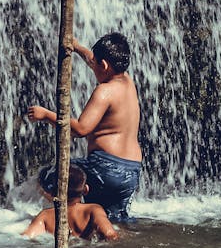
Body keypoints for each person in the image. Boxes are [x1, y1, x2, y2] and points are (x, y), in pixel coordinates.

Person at [28, 32, 142, 222]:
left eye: (96, 63)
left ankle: (72, 218)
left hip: (105, 167)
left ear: (104, 65)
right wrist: (77, 47)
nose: (92, 66)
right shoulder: (128, 82)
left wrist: (46, 115)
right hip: (131, 171)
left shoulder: (104, 91)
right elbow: (92, 60)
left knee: (48, 177)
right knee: (112, 220)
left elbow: (81, 129)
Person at [22, 164, 119, 241]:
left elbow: (25, 238)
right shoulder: (93, 210)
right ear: (86, 189)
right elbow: (110, 234)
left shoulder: (45, 216)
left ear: (52, 193)